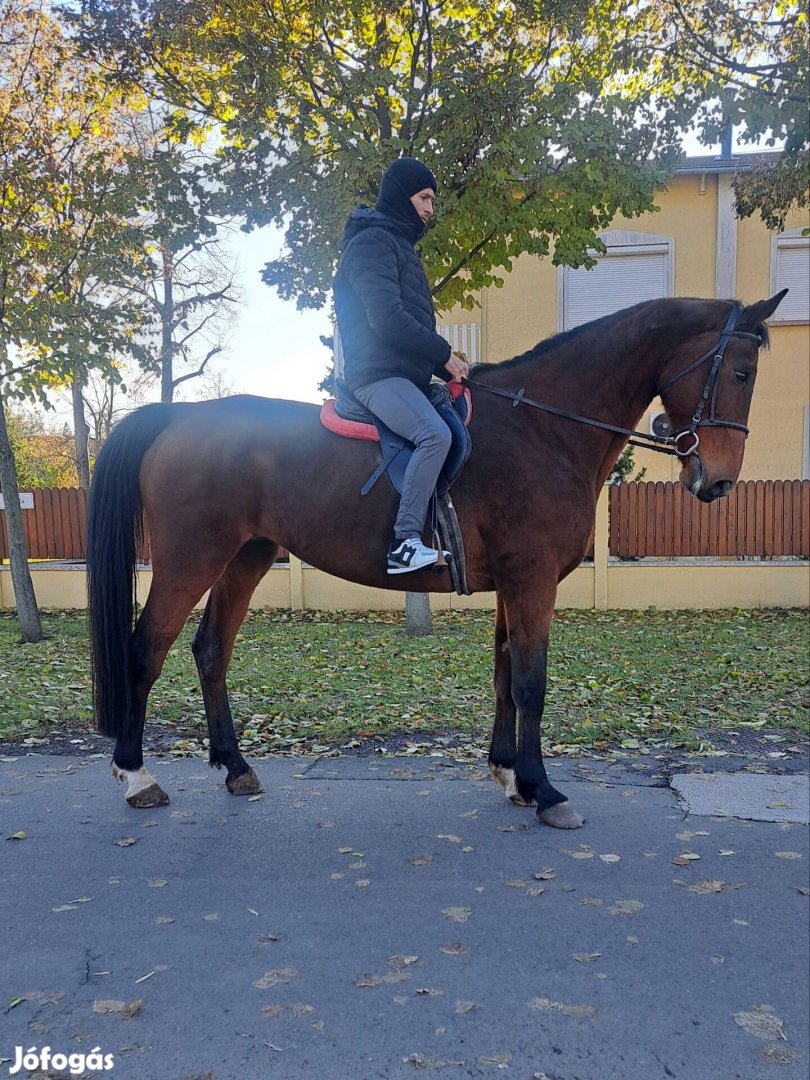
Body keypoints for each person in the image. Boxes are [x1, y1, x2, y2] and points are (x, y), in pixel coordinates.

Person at [333, 156, 469, 574]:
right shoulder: (373, 243)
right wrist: (442, 353)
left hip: (399, 373)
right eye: (425, 198)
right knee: (433, 435)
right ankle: (405, 543)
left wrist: (441, 365)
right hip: (375, 376)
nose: (430, 208)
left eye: (433, 200)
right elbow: (388, 319)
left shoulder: (398, 245)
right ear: (401, 196)